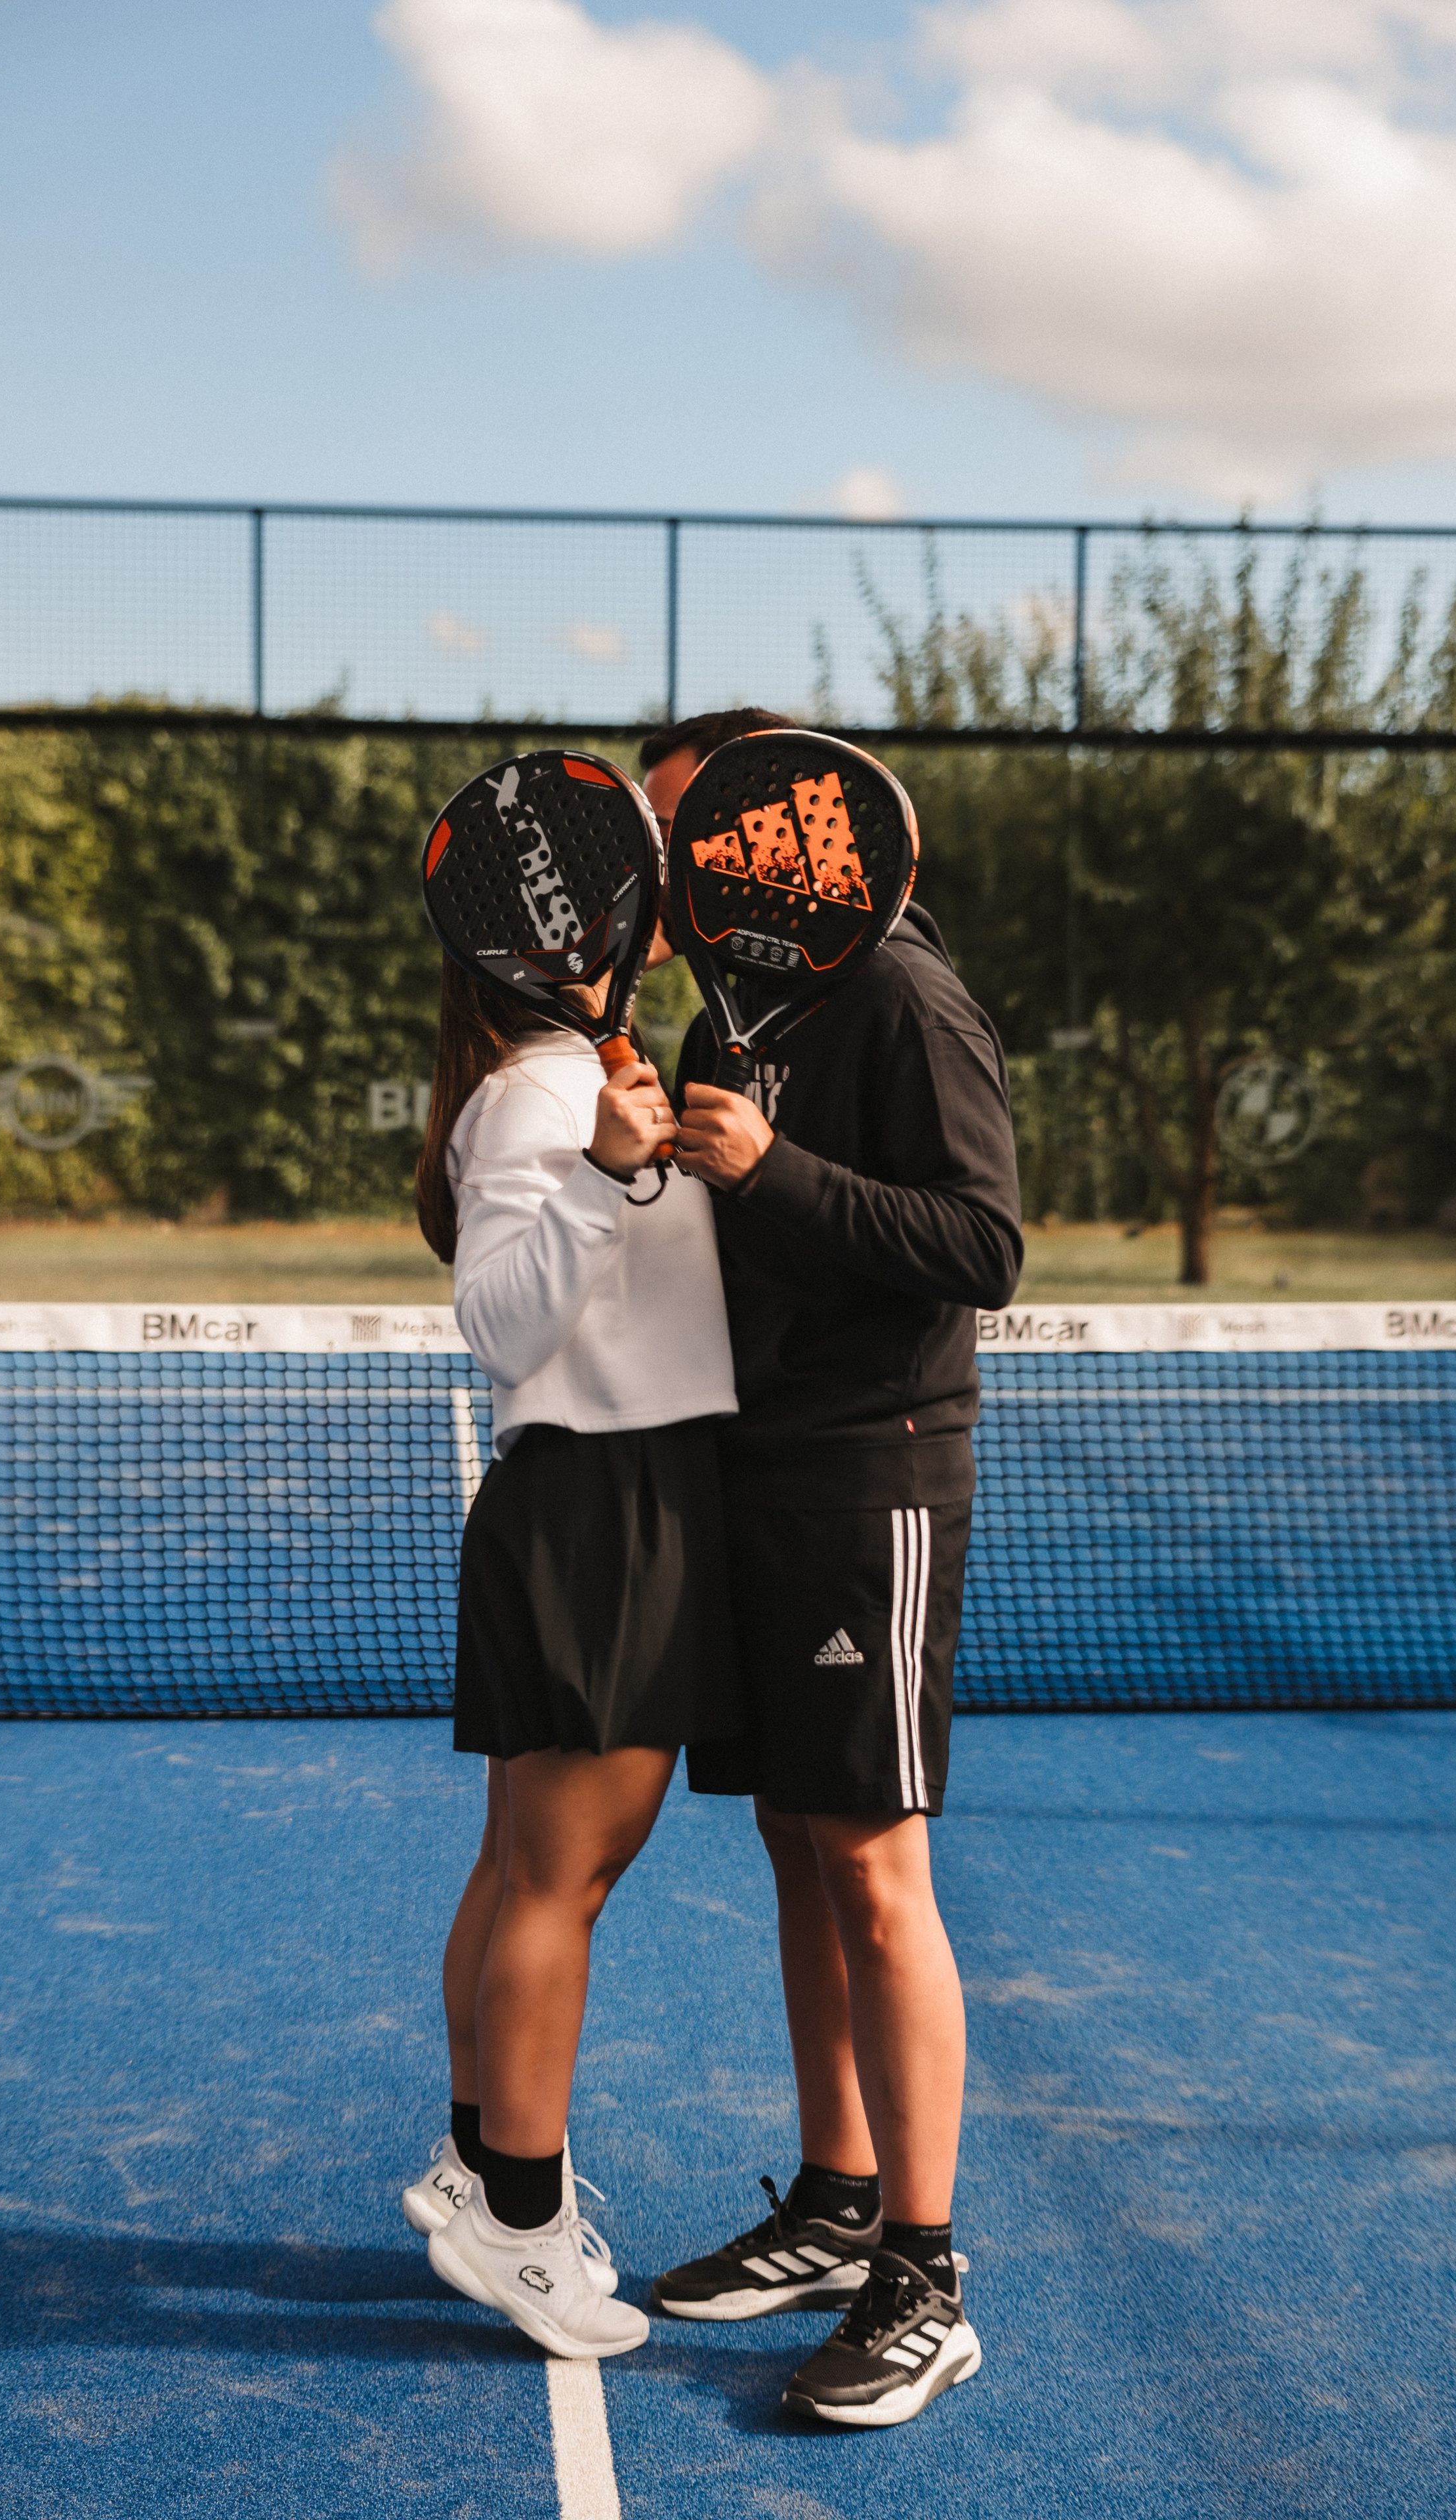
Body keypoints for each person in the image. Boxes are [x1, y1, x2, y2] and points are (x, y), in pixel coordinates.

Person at [644, 708, 1023, 2429]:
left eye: (686, 834)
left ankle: (927, 2280)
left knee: (876, 1866)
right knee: (802, 1851)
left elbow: (980, 1243)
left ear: (772, 836)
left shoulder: (897, 995)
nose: (662, 871)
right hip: (757, 1463)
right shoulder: (737, 1004)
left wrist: (764, 1166)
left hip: (869, 1470)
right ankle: (835, 2198)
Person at [404, 931, 739, 2361]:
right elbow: (493, 1324)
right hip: (598, 1505)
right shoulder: (537, 1099)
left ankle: (479, 2170)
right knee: (563, 1877)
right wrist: (608, 1174)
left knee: (524, 1863)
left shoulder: (573, 1074)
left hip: (626, 1495)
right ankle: (523, 2230)